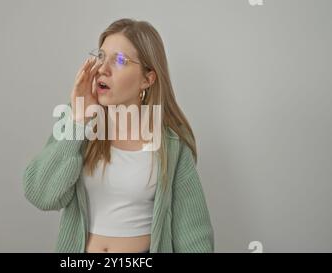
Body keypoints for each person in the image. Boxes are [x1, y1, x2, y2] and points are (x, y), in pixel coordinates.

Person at [23, 18, 214, 253]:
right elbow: (41, 195)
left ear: (147, 79)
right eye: (101, 57)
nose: (103, 69)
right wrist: (78, 120)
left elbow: (194, 237)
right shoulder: (79, 124)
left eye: (120, 60)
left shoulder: (171, 146)